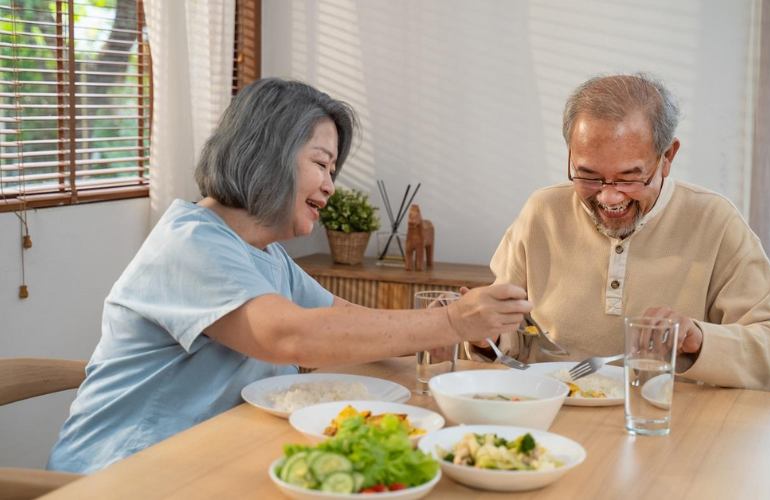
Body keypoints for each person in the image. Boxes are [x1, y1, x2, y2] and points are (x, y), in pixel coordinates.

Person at [47, 78, 532, 474]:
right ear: (268, 154)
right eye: (321, 164)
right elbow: (291, 335)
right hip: (122, 474)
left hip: (205, 464)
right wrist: (449, 325)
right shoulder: (189, 243)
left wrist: (437, 320)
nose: (330, 186)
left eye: (334, 170)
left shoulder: (265, 254)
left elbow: (342, 319)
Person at [470, 73, 770, 392]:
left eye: (629, 178)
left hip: (666, 427)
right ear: (571, 154)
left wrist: (699, 340)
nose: (608, 197)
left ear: (667, 157)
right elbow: (510, 331)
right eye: (588, 176)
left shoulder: (714, 220)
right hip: (554, 419)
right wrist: (484, 334)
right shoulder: (542, 211)